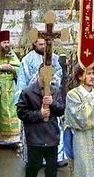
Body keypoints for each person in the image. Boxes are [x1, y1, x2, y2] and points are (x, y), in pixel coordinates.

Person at [16, 71, 66, 177]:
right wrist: (39, 114)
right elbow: (21, 112)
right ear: (40, 75)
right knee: (34, 166)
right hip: (35, 136)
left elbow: (61, 109)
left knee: (52, 170)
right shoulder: (28, 92)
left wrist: (53, 103)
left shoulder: (55, 91)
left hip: (51, 135)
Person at [17, 36, 67, 166]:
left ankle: (55, 158)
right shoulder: (27, 59)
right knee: (33, 128)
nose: (43, 47)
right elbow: (23, 80)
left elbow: (59, 75)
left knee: (53, 126)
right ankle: (33, 159)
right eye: (40, 44)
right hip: (33, 98)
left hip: (50, 96)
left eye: (45, 44)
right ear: (35, 44)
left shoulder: (54, 58)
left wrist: (50, 81)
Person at [0, 30, 21, 147]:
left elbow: (19, 68)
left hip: (11, 87)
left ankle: (14, 137)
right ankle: (0, 137)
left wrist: (12, 68)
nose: (6, 45)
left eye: (8, 42)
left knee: (12, 109)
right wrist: (0, 67)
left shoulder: (11, 54)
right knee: (0, 110)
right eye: (4, 42)